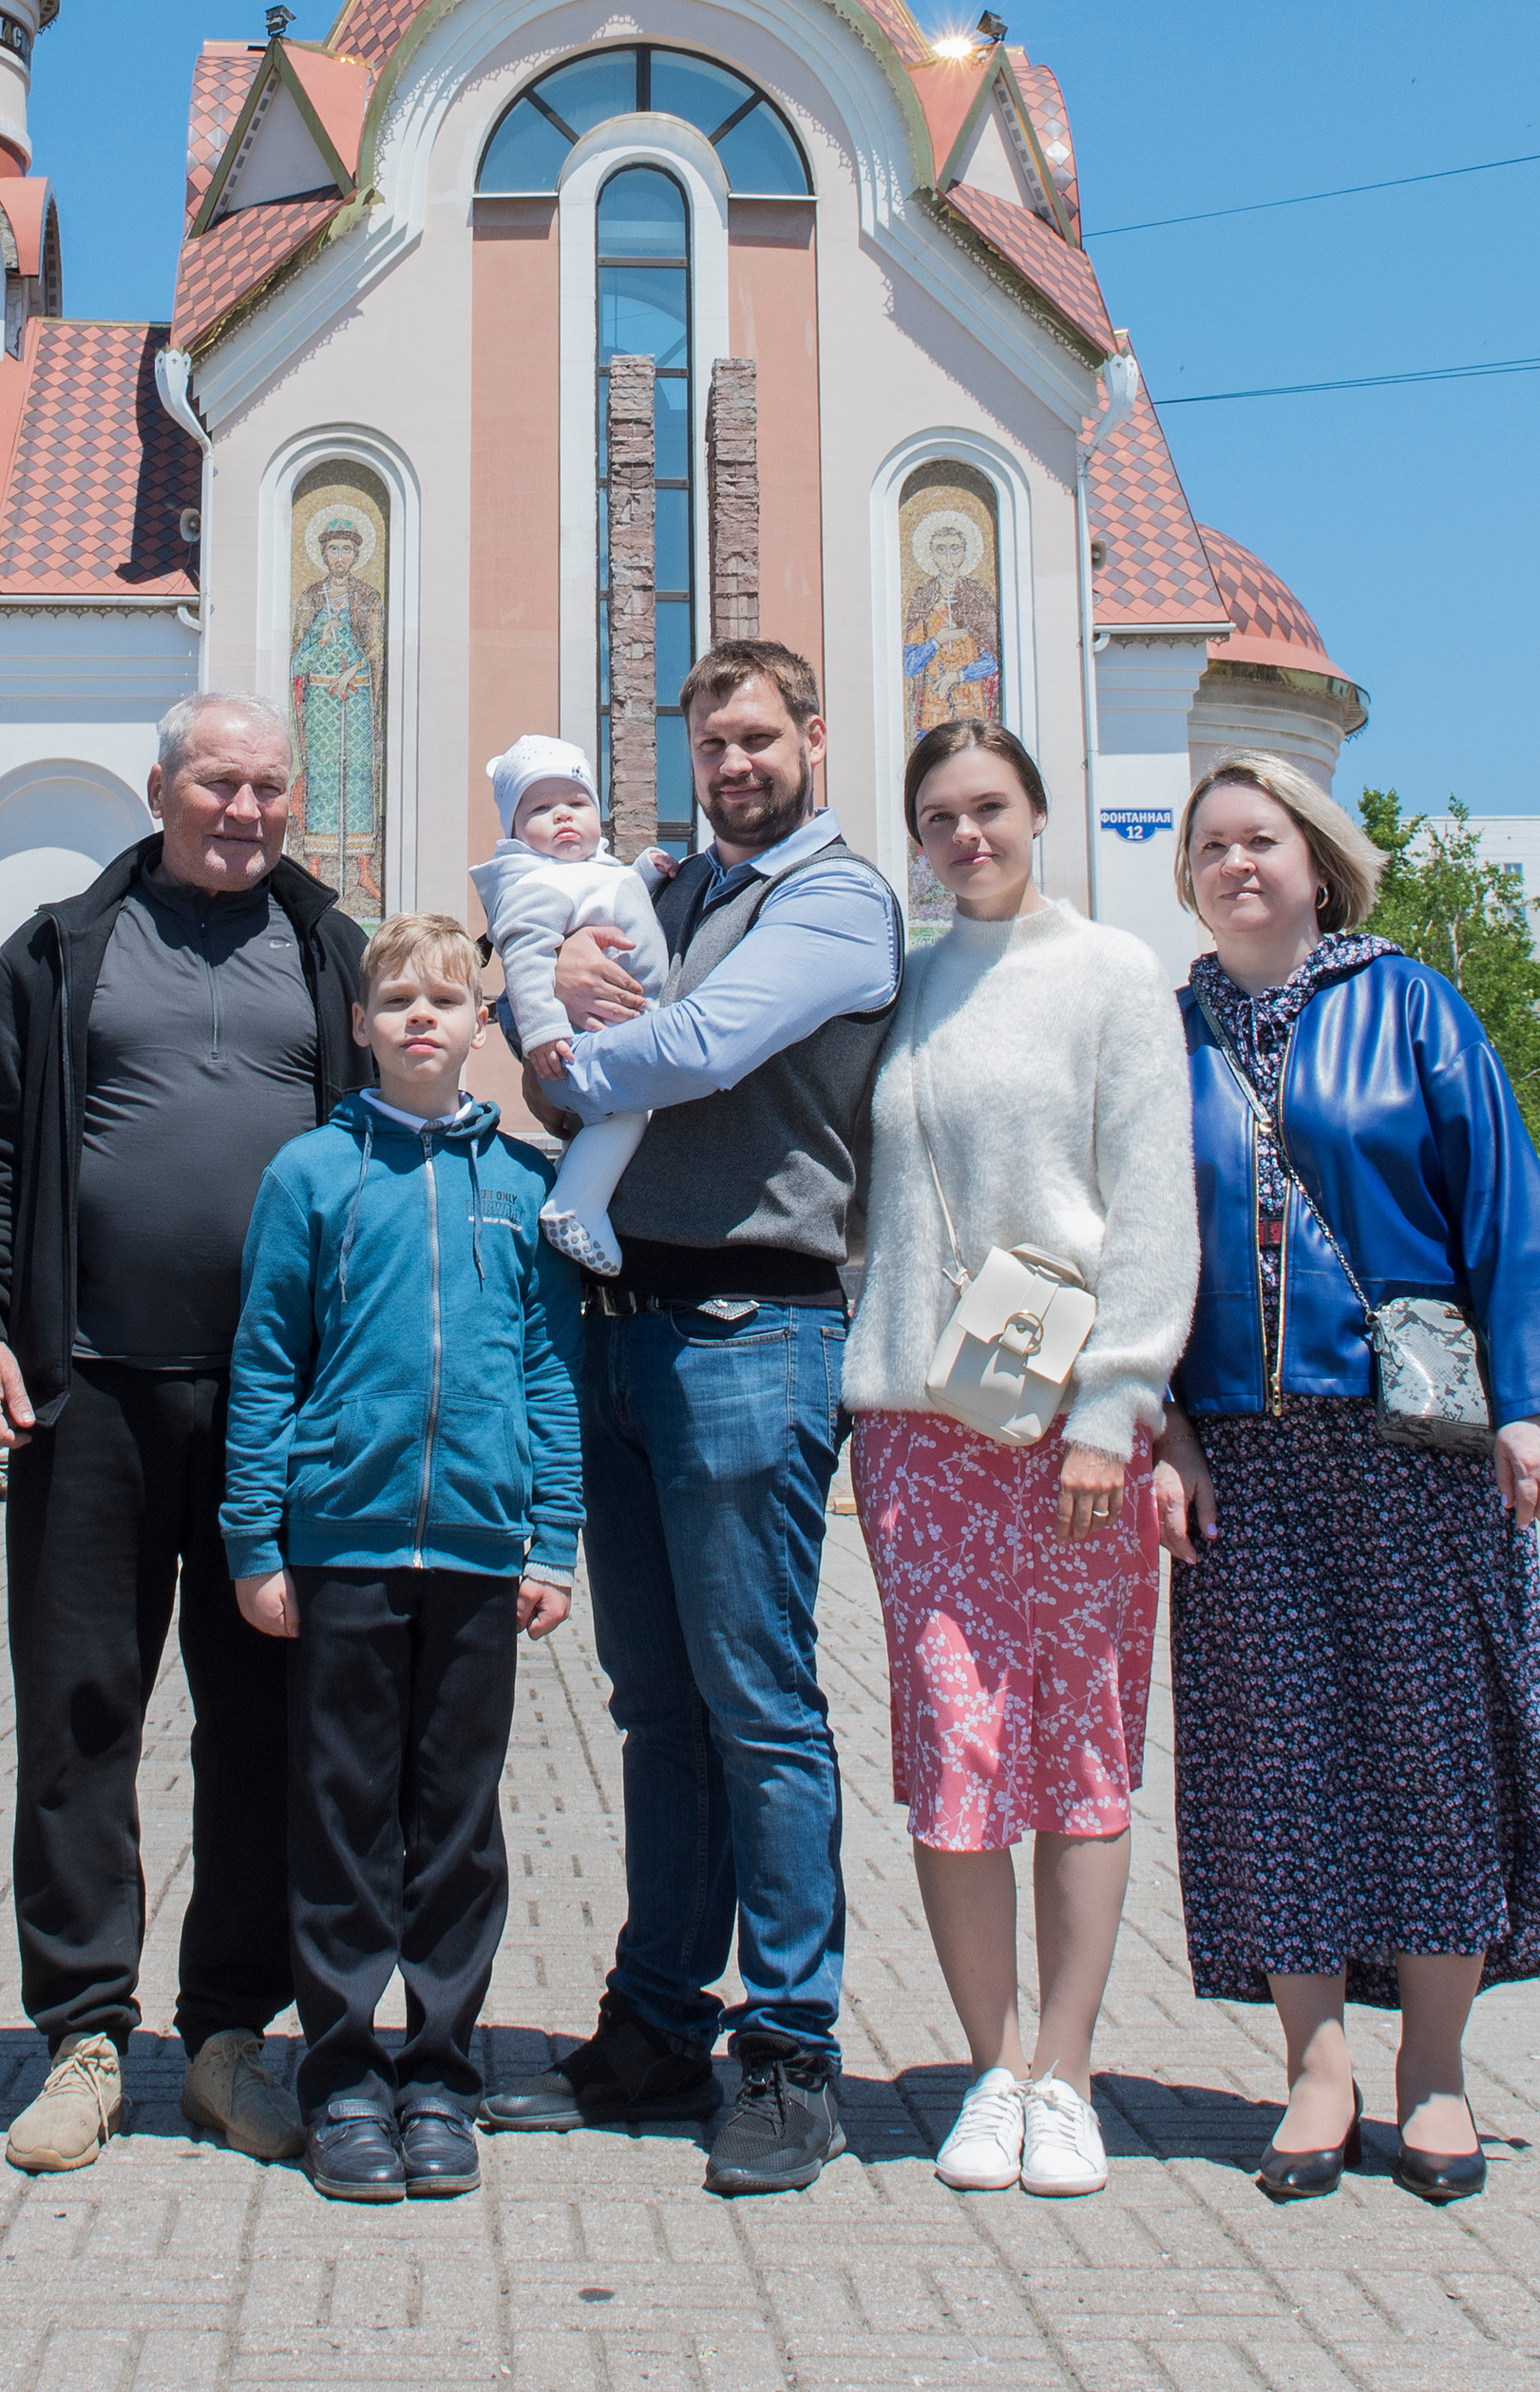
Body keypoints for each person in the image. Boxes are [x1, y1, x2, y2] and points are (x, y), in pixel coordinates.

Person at [1151, 751, 1540, 2207]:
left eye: (1264, 838)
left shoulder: (1411, 1003)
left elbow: (1503, 1198)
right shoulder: (1161, 1032)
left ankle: (1433, 2070)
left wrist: (1536, 1407)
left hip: (1410, 1443)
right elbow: (1131, 1244)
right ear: (1189, 871)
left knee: (1432, 1751)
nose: (1239, 862)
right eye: (1214, 842)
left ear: (1319, 859)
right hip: (1240, 1451)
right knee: (1273, 1760)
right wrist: (1159, 1423)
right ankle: (1314, 2070)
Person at [485, 641, 902, 2198]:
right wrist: (550, 1028)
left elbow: (706, 1048)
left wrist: (573, 1040)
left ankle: (790, 2045)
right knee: (654, 1706)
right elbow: (567, 1102)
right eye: (710, 742)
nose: (734, 763)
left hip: (751, 1330)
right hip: (618, 1328)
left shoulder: (836, 900)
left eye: (757, 736)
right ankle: (659, 2019)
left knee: (759, 1701)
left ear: (812, 735)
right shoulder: (663, 898)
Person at [0, 693, 369, 2177]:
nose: (244, 809)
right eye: (217, 781)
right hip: (90, 1388)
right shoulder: (59, 946)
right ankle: (83, 2033)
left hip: (278, 1406)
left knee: (263, 1726)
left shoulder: (334, 950)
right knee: (79, 1716)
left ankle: (234, 2035)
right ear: (160, 784)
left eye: (268, 785)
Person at [844, 718, 1196, 2200]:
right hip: (922, 1421)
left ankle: (1069, 2068)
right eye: (938, 815)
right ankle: (988, 2064)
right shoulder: (905, 981)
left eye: (989, 807)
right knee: (951, 1743)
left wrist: (1118, 1408)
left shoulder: (1111, 974)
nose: (965, 835)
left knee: (1083, 1739)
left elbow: (1152, 1196)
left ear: (1037, 812)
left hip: (1069, 1427)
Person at [221, 913, 583, 2202]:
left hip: (482, 1551)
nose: (422, 1018)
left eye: (446, 998)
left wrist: (558, 1536)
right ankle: (338, 2072)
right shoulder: (312, 1173)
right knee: (343, 1812)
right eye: (397, 1000)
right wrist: (256, 1536)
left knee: (454, 1818)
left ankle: (440, 2065)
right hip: (346, 1541)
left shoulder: (524, 1185)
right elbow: (267, 1362)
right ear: (363, 1023)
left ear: (482, 1021)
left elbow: (549, 1368)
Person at [468, 731, 673, 1275]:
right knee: (624, 1116)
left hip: (607, 1033)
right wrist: (540, 1033)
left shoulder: (589, 873)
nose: (563, 816)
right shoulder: (535, 884)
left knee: (627, 1115)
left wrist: (646, 872)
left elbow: (616, 898)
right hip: (575, 1045)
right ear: (514, 831)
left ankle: (580, 1202)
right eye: (540, 808)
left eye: (577, 804)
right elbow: (526, 955)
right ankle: (574, 1205)